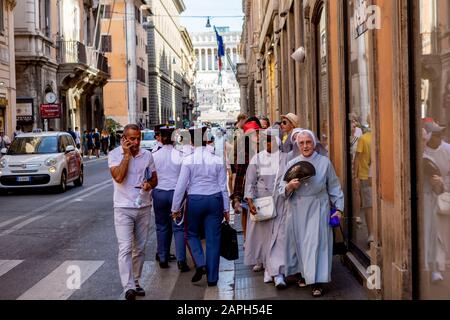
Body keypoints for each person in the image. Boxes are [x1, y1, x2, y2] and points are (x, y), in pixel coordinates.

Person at [280, 130, 344, 297]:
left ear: (314, 143)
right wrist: (289, 187)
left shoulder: (324, 163)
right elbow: (281, 189)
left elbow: (334, 186)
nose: (305, 146)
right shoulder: (292, 163)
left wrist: (339, 209)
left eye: (308, 142)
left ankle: (317, 281)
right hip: (298, 208)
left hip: (318, 207)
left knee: (317, 244)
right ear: (297, 145)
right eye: (301, 143)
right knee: (301, 244)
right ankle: (304, 274)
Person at [171, 126, 230, 287]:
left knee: (191, 233)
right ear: (206, 139)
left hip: (195, 199)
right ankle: (212, 278)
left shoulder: (188, 159)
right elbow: (223, 186)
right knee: (213, 239)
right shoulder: (217, 159)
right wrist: (227, 209)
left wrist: (175, 209)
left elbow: (181, 186)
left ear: (191, 141)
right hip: (215, 199)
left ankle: (200, 263)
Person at [108, 124, 158, 301]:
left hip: (143, 207)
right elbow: (119, 177)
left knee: (140, 248)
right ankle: (128, 287)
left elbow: (154, 179)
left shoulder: (147, 155)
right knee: (125, 248)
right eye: (132, 138)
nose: (136, 142)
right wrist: (127, 155)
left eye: (138, 138)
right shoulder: (114, 155)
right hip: (123, 208)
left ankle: (135, 281)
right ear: (124, 139)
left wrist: (149, 185)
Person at [244, 130, 287, 287]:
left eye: (271, 141)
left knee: (279, 237)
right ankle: (269, 269)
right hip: (262, 203)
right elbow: (250, 182)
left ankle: (278, 273)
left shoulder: (285, 158)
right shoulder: (257, 158)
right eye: (266, 141)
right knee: (264, 238)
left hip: (281, 202)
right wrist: (250, 202)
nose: (268, 144)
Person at [152, 126, 190, 272]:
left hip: (159, 192)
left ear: (160, 138)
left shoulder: (154, 155)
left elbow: (150, 175)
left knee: (161, 226)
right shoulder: (180, 154)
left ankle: (163, 257)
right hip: (176, 193)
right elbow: (185, 177)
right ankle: (181, 261)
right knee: (178, 227)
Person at [230, 117, 262, 240]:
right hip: (248, 190)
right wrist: (236, 197)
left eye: (258, 133)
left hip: (264, 191)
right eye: (255, 134)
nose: (257, 137)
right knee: (248, 215)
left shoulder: (268, 149)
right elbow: (239, 174)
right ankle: (246, 240)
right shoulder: (245, 152)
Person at [353, 115, 373, 246]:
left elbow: (357, 158)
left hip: (365, 175)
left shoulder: (363, 138)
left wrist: (355, 176)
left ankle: (371, 233)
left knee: (369, 206)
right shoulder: (382, 137)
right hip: (370, 175)